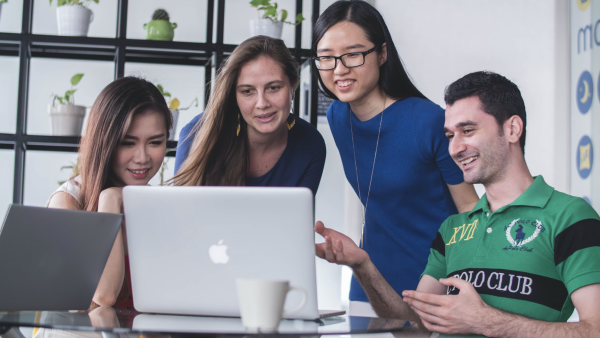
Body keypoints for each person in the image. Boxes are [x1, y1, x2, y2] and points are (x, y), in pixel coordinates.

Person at [315, 71, 600, 337]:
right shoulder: (452, 229)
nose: (454, 147)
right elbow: (414, 327)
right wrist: (363, 265)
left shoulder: (570, 216)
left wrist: (484, 320)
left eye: (468, 130)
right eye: (450, 135)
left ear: (512, 129)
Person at [312, 0, 479, 312]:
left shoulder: (427, 120)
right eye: (327, 58)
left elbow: (469, 209)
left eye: (353, 54)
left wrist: (463, 284)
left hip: (434, 283)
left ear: (382, 53)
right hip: (369, 283)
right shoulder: (337, 117)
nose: (339, 69)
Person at [47, 77, 172, 307]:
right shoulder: (67, 201)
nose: (142, 158)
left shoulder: (156, 205)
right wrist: (110, 201)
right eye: (128, 143)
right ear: (105, 143)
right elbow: (104, 295)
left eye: (155, 142)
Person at [173, 36, 326, 195]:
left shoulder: (311, 144)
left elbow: (297, 217)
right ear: (234, 96)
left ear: (293, 86)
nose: (262, 103)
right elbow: (180, 213)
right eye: (247, 91)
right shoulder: (197, 133)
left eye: (273, 88)